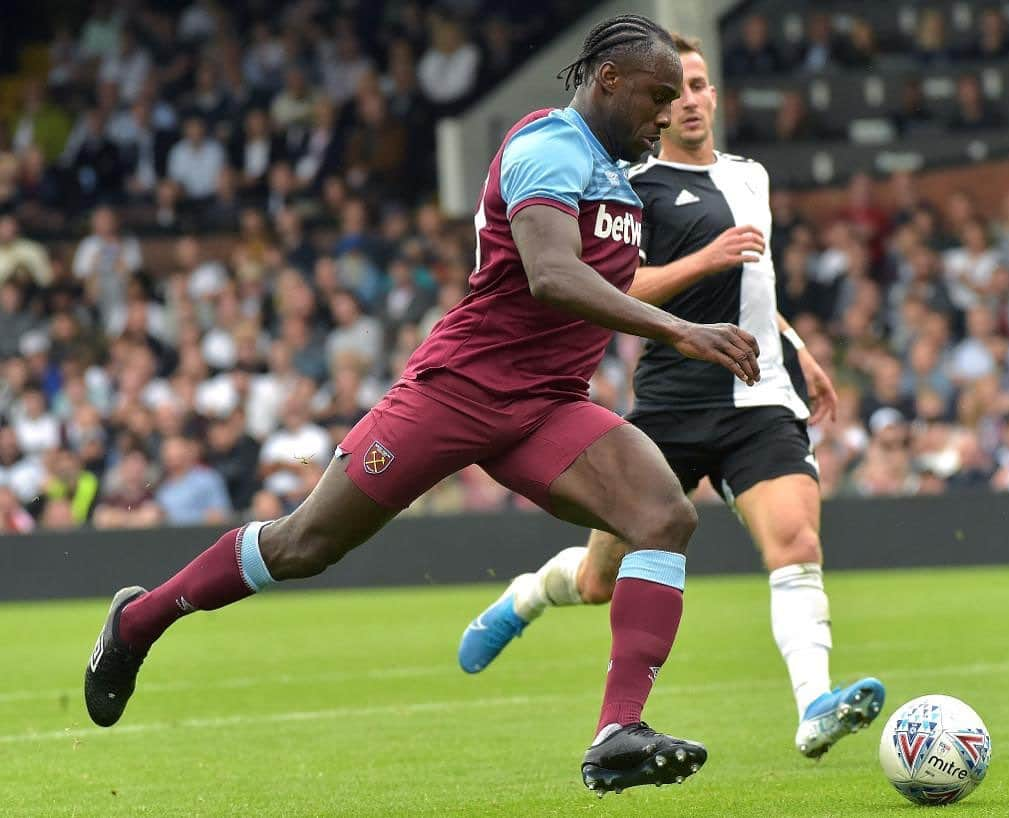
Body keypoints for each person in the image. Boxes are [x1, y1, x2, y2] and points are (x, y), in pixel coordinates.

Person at [84, 15, 762, 796]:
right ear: (608, 80)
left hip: (548, 406)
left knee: (663, 514)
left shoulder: (619, 176)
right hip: (458, 391)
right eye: (657, 95)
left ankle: (617, 733)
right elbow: (551, 274)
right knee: (304, 544)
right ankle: (138, 621)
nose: (667, 112)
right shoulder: (548, 146)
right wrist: (679, 330)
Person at [458, 33, 885, 761]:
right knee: (599, 581)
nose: (687, 102)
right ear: (654, 102)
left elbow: (756, 285)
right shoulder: (632, 185)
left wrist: (799, 347)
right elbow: (616, 289)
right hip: (669, 404)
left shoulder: (751, 176)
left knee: (797, 541)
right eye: (672, 91)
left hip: (759, 397)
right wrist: (704, 259)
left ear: (714, 95)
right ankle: (530, 593)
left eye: (698, 86)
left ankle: (815, 705)